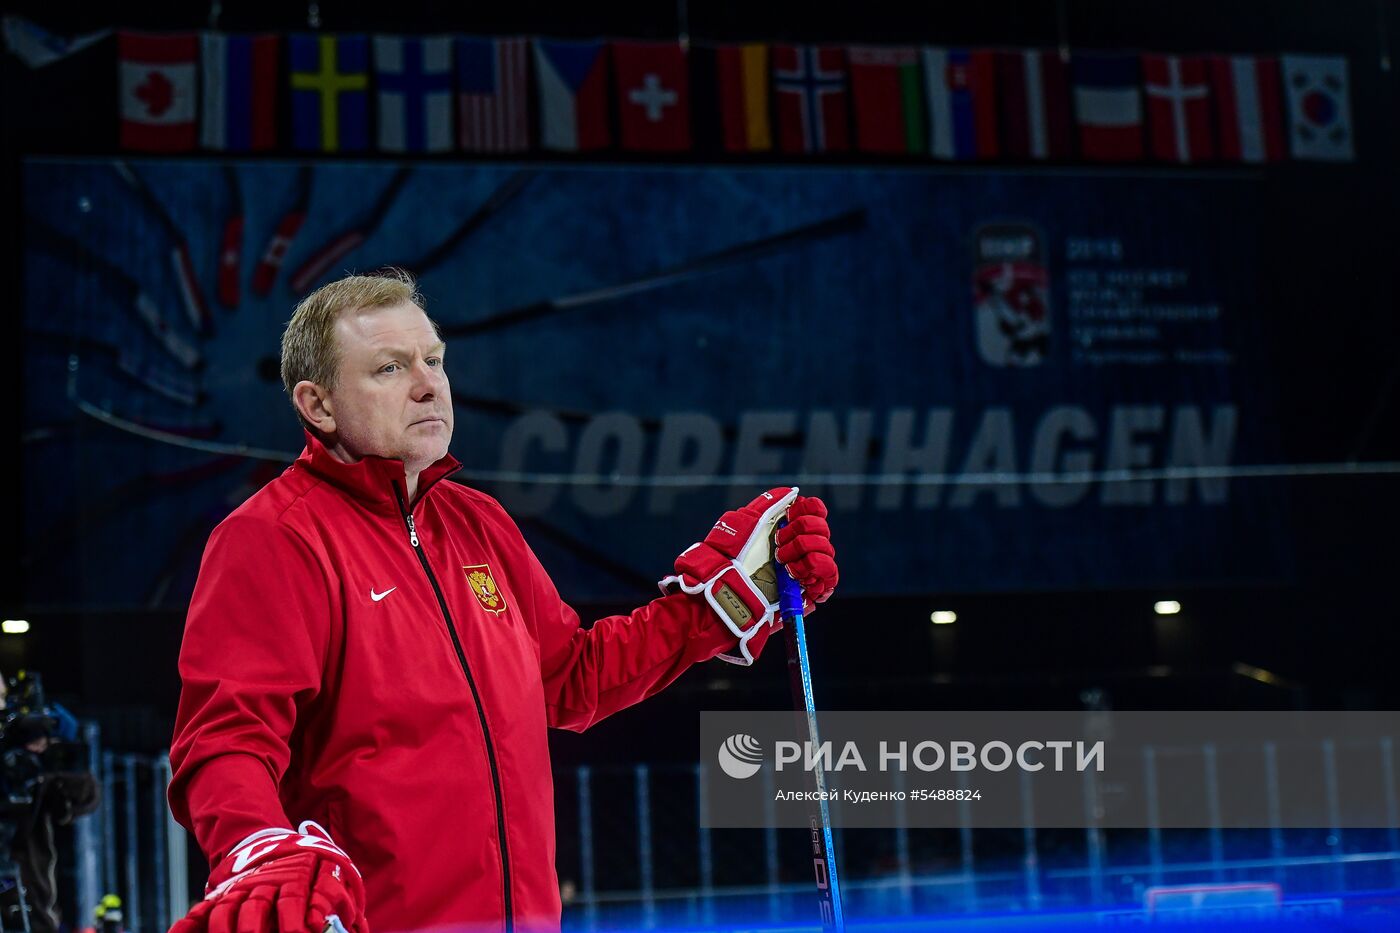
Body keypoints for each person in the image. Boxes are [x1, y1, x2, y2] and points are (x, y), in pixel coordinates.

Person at [167, 271, 839, 933]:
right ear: (318, 405)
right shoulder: (274, 537)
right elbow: (225, 738)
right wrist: (257, 846)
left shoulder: (477, 523)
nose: (429, 384)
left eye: (433, 359)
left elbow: (571, 676)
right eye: (390, 368)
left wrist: (716, 606)